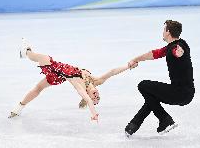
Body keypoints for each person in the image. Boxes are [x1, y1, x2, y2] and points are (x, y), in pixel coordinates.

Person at [9, 38, 138, 122]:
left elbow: (87, 99)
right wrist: (128, 66)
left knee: (41, 57)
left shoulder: (80, 87)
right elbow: (112, 72)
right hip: (58, 75)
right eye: (98, 97)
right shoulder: (96, 81)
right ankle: (19, 108)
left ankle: (26, 52)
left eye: (95, 98)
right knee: (38, 89)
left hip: (54, 69)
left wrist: (93, 113)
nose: (96, 95)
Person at [125, 20, 195, 136]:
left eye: (164, 30)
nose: (162, 32)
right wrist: (135, 59)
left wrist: (179, 52)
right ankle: (133, 125)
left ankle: (164, 119)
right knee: (151, 97)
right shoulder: (169, 48)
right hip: (183, 93)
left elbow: (178, 51)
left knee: (143, 85)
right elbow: (153, 54)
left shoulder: (179, 46)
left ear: (168, 32)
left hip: (181, 92)